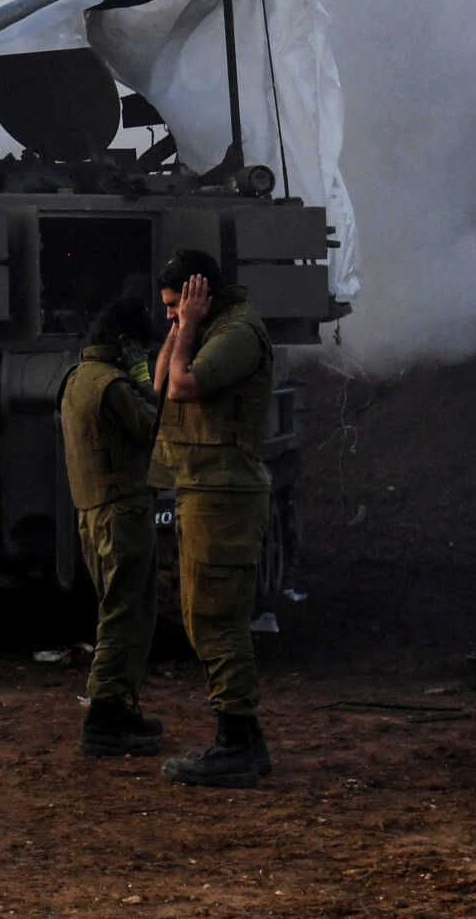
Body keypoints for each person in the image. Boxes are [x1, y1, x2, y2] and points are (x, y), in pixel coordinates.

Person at [148, 249, 277, 788]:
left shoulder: (238, 335)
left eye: (177, 304)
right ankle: (237, 737)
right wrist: (182, 326)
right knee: (202, 615)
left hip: (224, 493)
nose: (172, 316)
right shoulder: (200, 329)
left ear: (202, 294)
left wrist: (191, 326)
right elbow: (159, 380)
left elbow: (182, 387)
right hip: (202, 489)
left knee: (219, 620)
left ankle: (239, 741)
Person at [59, 293, 163, 757]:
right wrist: (145, 376)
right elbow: (157, 426)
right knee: (125, 615)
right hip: (123, 513)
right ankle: (103, 715)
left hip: (95, 513)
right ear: (124, 343)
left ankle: (118, 708)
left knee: (118, 610)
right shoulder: (114, 385)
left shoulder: (78, 377)